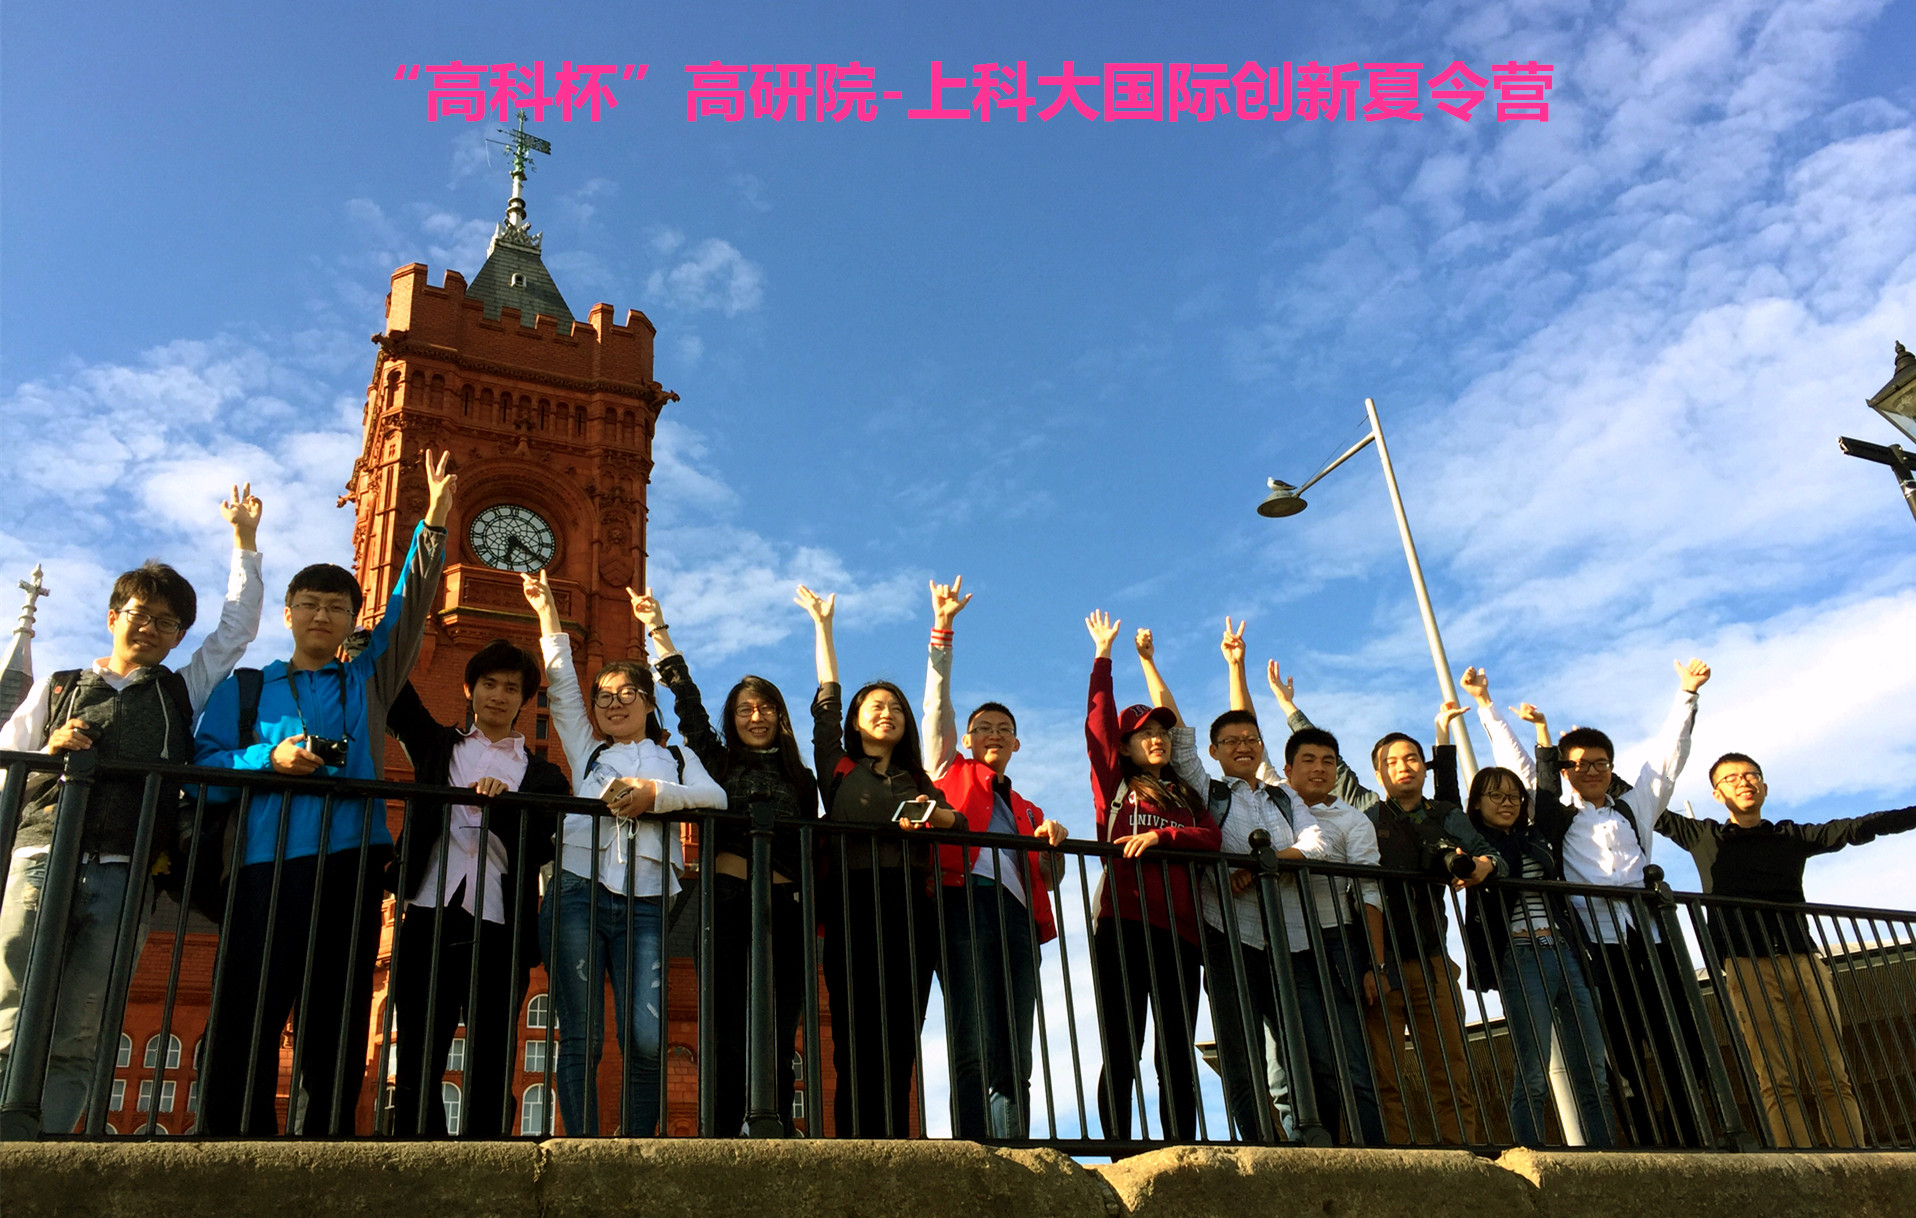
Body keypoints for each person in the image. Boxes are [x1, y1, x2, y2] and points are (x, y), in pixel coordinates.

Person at [194, 456, 451, 1137]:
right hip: (261, 863)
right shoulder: (247, 688)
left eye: (337, 607)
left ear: (350, 620)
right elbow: (202, 768)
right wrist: (269, 758)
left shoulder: (367, 681)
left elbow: (408, 609)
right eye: (309, 603)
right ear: (289, 613)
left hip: (351, 862)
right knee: (248, 1009)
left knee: (335, 1016)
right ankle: (233, 1146)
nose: (322, 614)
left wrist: (434, 521)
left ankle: (324, 1146)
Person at [0, 484, 264, 1134]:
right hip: (40, 859)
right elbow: (7, 766)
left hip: (126, 872)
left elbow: (235, 631)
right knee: (9, 1012)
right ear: (113, 615)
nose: (151, 628)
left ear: (177, 638)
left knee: (84, 1027)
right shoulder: (59, 685)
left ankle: (43, 1149)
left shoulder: (180, 691)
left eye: (168, 623)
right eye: (141, 614)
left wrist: (244, 543)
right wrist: (49, 751)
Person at [1469, 659, 1719, 1148]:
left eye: (1600, 763)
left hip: (1651, 941)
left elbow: (1667, 760)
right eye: (1580, 764)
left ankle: (1694, 1140)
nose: (1591, 772)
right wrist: (1487, 706)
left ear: (1611, 767)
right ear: (1566, 771)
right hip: (1596, 950)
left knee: (1682, 1046)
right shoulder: (1556, 815)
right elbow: (1522, 769)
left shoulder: (1634, 806)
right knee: (1622, 1056)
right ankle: (1648, 1145)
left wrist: (1687, 693)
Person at [1257, 639, 1491, 1146]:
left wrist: (1483, 864)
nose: (1404, 766)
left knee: (1450, 1069)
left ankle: (1467, 1156)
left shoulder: (1442, 815)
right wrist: (1287, 705)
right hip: (1373, 960)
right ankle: (1401, 1161)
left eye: (1414, 759)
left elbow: (1478, 840)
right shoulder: (1365, 809)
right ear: (1379, 772)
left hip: (1429, 958)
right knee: (1383, 1074)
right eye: (1393, 761)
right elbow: (1328, 765)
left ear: (1424, 767)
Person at [523, 569, 725, 1137]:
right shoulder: (587, 750)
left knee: (645, 1036)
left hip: (647, 903)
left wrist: (655, 796)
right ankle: (583, 1144)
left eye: (626, 694)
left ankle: (633, 1143)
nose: (613, 704)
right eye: (604, 697)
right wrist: (547, 613)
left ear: (648, 701)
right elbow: (561, 683)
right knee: (581, 1034)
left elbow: (716, 797)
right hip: (576, 893)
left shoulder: (675, 757)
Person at [1658, 754, 1916, 1148]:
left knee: (1833, 1074)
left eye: (1751, 775)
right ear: (1717, 794)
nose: (1743, 782)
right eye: (1731, 778)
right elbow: (1646, 807)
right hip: (1747, 965)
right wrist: (1566, 757)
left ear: (1763, 787)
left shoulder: (1789, 836)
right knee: (1777, 1080)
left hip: (1803, 961)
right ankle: (1800, 1165)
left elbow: (1859, 827)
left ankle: (1854, 1159)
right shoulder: (1704, 836)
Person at [638, 586, 819, 1137]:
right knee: (724, 1022)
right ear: (733, 718)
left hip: (785, 906)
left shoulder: (801, 778)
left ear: (779, 715)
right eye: (744, 709)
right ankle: (720, 1133)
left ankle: (775, 1129)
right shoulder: (717, 763)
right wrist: (660, 633)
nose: (755, 716)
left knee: (780, 1022)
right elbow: (689, 709)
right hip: (727, 903)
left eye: (765, 707)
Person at [1148, 622, 1326, 1144]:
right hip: (1228, 934)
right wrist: (1150, 662)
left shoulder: (1282, 795)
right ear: (1215, 751)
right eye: (1231, 741)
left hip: (1290, 938)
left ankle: (1307, 1141)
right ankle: (1258, 1144)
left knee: (1301, 1050)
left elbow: (1318, 844)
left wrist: (1267, 862)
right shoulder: (1209, 791)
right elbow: (1178, 732)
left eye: (1251, 739)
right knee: (1241, 1050)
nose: (1243, 746)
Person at [796, 584, 960, 1138]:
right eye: (876, 707)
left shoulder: (917, 779)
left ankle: (896, 1145)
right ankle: (855, 1146)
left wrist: (934, 818)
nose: (887, 714)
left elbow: (959, 822)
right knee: (853, 1033)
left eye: (895, 708)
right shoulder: (837, 766)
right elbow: (826, 700)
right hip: (851, 905)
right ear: (857, 720)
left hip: (910, 908)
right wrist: (823, 626)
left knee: (900, 1035)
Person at [385, 640, 567, 1138]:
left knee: (492, 1051)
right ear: (470, 689)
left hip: (500, 923)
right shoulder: (437, 745)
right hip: (429, 909)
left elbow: (543, 842)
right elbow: (397, 697)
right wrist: (368, 638)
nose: (499, 695)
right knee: (419, 1046)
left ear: (525, 698)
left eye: (511, 688)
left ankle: (488, 1156)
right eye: (489, 684)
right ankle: (420, 1150)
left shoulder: (543, 775)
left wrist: (504, 807)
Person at [919, 576, 1067, 1140]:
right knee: (974, 1035)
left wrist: (1053, 841)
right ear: (966, 739)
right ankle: (975, 1146)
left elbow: (1049, 877)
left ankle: (1014, 1149)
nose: (994, 735)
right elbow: (936, 704)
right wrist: (943, 630)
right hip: (964, 902)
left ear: (1018, 743)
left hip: (1018, 918)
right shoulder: (948, 769)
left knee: (1014, 1047)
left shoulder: (1027, 808)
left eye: (1005, 729)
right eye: (982, 729)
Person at [1083, 612, 1220, 1143]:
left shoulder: (1185, 795)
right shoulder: (1115, 787)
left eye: (1161, 732)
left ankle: (1182, 1149)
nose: (1157, 739)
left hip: (1181, 935)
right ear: (1125, 746)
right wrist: (1103, 656)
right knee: (1123, 1048)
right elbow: (1098, 726)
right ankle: (1120, 1152)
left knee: (1175, 1052)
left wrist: (1163, 837)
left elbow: (1211, 838)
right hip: (1122, 925)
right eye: (1144, 734)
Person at [1450, 766, 1613, 1148]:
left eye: (1514, 796)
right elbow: (1446, 799)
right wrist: (1443, 743)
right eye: (1496, 795)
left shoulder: (1536, 836)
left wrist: (1545, 746)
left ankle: (1606, 1155)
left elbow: (1550, 794)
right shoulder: (1475, 845)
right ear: (1477, 803)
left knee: (1594, 1071)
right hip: (1520, 955)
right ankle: (1531, 1154)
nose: (1508, 803)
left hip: (1566, 950)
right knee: (1533, 1070)